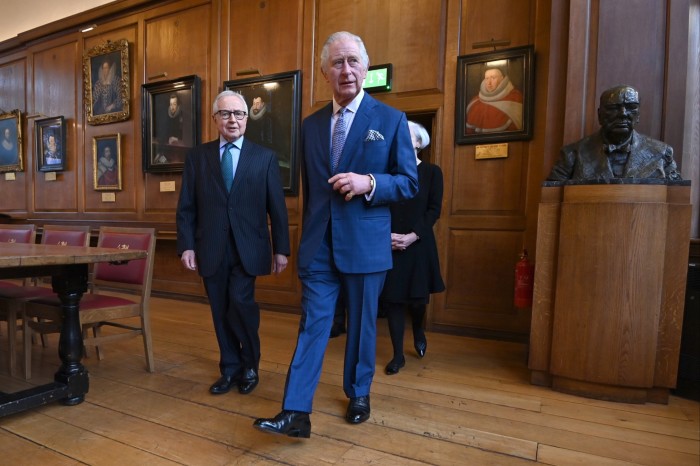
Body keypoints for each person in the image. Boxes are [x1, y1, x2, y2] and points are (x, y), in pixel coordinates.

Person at [253, 31, 418, 438]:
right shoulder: (309, 126)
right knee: (312, 325)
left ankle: (359, 393)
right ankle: (295, 411)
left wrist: (370, 183)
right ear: (325, 72)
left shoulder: (390, 120)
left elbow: (409, 183)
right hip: (318, 245)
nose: (346, 70)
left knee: (362, 325)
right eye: (337, 63)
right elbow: (309, 191)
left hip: (365, 243)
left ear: (366, 67)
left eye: (353, 61)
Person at [176, 90, 290, 398]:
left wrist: (281, 248)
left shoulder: (264, 157)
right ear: (215, 119)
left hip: (249, 247)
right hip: (210, 247)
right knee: (219, 309)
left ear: (247, 118)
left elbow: (276, 208)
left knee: (241, 304)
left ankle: (250, 364)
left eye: (239, 114)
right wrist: (186, 245)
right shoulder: (197, 157)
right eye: (225, 114)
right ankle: (229, 367)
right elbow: (186, 206)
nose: (233, 120)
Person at [380, 121, 445, 375]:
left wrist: (412, 236)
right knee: (393, 301)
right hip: (390, 243)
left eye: (407, 137)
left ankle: (418, 330)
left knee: (417, 301)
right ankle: (397, 355)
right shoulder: (387, 173)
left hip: (419, 244)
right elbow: (378, 207)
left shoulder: (432, 172)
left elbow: (433, 210)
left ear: (419, 143)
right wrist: (388, 236)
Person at [547, 85, 682, 181]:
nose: (623, 114)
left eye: (631, 107)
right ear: (600, 115)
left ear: (638, 115)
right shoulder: (572, 154)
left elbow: (676, 198)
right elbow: (551, 199)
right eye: (613, 108)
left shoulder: (661, 153)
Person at [465, 66, 523, 134]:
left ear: (502, 79)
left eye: (493, 78)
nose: (489, 83)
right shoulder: (475, 102)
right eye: (487, 78)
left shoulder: (515, 97)